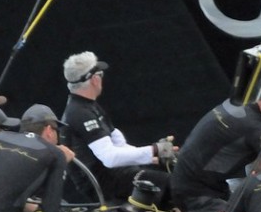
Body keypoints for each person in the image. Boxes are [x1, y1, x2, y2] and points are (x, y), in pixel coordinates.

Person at [60, 51, 177, 201]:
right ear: (95, 79)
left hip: (114, 174)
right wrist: (154, 149)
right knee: (175, 185)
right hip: (103, 183)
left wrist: (154, 157)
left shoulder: (88, 106)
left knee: (174, 175)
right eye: (101, 74)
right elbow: (110, 158)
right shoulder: (80, 113)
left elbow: (120, 145)